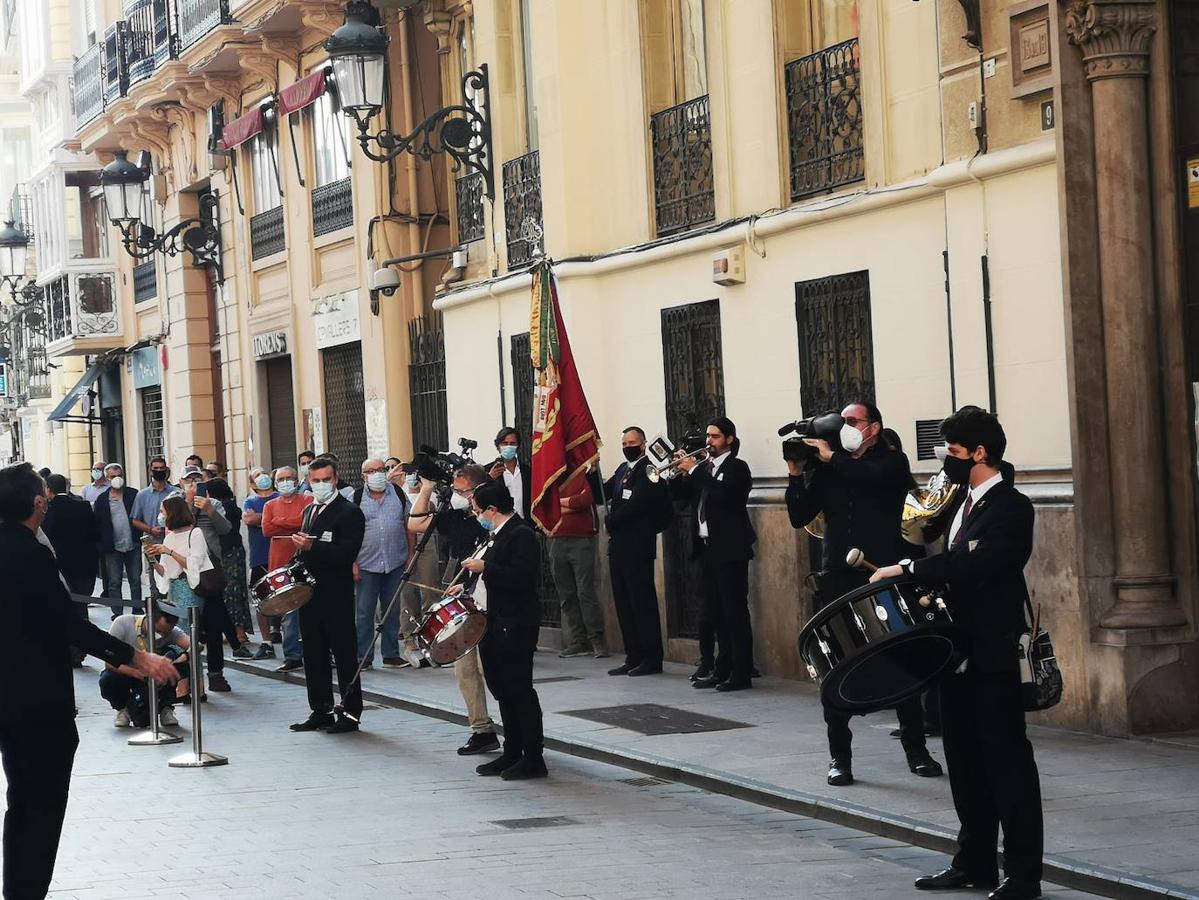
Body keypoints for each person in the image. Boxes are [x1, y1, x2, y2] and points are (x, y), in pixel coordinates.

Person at [871, 407, 1042, 900]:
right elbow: (939, 546)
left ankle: (1024, 875)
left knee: (1007, 765)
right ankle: (975, 863)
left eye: (952, 449)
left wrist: (906, 569)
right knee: (964, 764)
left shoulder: (1011, 505)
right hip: (958, 655)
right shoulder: (962, 503)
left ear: (980, 452)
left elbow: (980, 562)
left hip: (993, 656)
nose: (945, 458)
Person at [0, 462, 178, 900]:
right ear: (38, 503)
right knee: (37, 808)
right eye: (44, 492)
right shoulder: (28, 553)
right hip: (35, 699)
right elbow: (67, 623)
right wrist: (137, 657)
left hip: (11, 698)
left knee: (23, 804)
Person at [785, 401, 943, 787]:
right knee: (835, 662)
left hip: (884, 571)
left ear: (872, 428)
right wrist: (796, 471)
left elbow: (870, 478)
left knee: (900, 656)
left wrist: (832, 456)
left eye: (852, 421)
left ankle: (916, 748)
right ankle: (839, 757)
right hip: (839, 574)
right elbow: (799, 515)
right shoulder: (828, 466)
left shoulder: (892, 460)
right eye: (843, 421)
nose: (845, 426)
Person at [450, 480, 545, 780]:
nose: (476, 515)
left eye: (478, 510)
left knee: (519, 690)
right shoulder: (493, 535)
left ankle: (533, 756)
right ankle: (512, 750)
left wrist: (485, 569)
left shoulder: (520, 534)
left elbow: (523, 577)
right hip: (491, 624)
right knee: (502, 690)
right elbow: (486, 578)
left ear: (492, 509)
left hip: (514, 625)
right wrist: (466, 586)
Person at [411, 465, 500, 755]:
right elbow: (416, 524)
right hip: (467, 599)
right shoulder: (457, 517)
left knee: (494, 671)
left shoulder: (496, 519)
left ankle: (517, 728)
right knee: (465, 670)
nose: (459, 496)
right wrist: (426, 488)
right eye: (457, 491)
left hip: (494, 604)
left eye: (463, 491)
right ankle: (481, 729)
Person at [675, 417, 756, 692]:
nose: (709, 441)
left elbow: (726, 496)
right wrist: (682, 473)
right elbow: (681, 497)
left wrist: (696, 471)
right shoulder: (705, 469)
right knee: (715, 613)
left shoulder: (737, 467)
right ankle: (721, 670)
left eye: (716, 436)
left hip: (731, 550)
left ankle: (741, 672)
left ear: (729, 439)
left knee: (734, 613)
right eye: (708, 436)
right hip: (707, 550)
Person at [289, 456, 366, 734]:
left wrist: (313, 547)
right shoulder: (309, 509)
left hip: (337, 593)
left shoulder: (349, 512)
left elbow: (347, 553)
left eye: (325, 480)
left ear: (335, 480)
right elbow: (304, 547)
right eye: (315, 480)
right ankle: (320, 709)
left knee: (344, 653)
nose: (320, 485)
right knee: (313, 651)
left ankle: (350, 712)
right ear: (309, 481)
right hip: (309, 593)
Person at [603, 427, 669, 676]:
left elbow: (639, 504)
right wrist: (588, 472)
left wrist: (612, 520)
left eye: (632, 442)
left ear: (642, 445)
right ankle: (634, 654)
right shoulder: (622, 470)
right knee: (624, 603)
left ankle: (652, 657)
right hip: (618, 546)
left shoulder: (648, 471)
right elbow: (605, 491)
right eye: (624, 443)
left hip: (637, 546)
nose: (627, 446)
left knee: (642, 603)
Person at [147, 494, 217, 705]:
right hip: (174, 589)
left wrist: (168, 551)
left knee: (188, 636)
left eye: (163, 512)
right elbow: (165, 571)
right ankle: (187, 686)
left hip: (191, 587)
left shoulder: (195, 533)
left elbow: (194, 563)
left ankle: (193, 687)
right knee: (182, 638)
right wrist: (152, 558)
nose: (160, 516)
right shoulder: (169, 536)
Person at [180, 468, 246, 690]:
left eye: (197, 480)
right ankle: (189, 677)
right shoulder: (176, 503)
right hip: (184, 570)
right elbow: (169, 526)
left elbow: (225, 528)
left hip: (210, 571)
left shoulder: (213, 504)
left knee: (214, 622)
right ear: (181, 483)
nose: (193, 485)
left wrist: (209, 509)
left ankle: (216, 673)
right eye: (189, 481)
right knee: (190, 626)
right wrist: (188, 504)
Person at [353, 458, 412, 669]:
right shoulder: (356, 497)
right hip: (366, 563)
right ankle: (364, 657)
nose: (377, 473)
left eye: (380, 469)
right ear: (363, 476)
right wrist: (353, 563)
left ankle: (391, 654)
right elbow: (349, 533)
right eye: (371, 470)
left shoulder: (397, 494)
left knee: (392, 609)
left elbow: (409, 524)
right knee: (364, 612)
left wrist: (411, 554)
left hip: (395, 560)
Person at [548, 466, 608, 659]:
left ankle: (597, 640)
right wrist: (567, 505)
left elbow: (584, 501)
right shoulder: (550, 480)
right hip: (556, 540)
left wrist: (560, 504)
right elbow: (547, 506)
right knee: (566, 594)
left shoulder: (582, 476)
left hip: (581, 540)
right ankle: (577, 641)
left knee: (585, 592)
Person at [42, 474, 101, 667]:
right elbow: (95, 533)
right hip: (85, 565)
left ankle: (72, 651)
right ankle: (80, 650)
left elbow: (46, 538)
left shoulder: (49, 510)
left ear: (49, 490)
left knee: (66, 609)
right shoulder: (83, 506)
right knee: (81, 608)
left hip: (62, 567)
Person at [100, 603, 190, 728]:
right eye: (158, 631)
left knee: (173, 660)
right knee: (107, 679)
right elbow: (109, 662)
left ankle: (166, 707)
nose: (161, 635)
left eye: (165, 633)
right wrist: (136, 673)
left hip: (154, 676)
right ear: (149, 618)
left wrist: (184, 657)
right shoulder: (123, 623)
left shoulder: (171, 632)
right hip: (128, 672)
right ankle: (122, 708)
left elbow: (195, 645)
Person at [262, 466, 313, 672]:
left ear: (296, 480)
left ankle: (319, 652)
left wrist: (280, 522)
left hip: (306, 562)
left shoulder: (307, 501)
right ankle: (292, 655)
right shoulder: (270, 505)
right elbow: (267, 529)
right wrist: (291, 524)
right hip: (281, 565)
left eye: (289, 478)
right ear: (276, 483)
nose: (285, 482)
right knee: (289, 612)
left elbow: (306, 522)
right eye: (281, 479)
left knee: (313, 609)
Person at [204, 477, 255, 651]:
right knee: (236, 591)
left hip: (227, 553)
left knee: (232, 592)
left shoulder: (223, 507)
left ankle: (238, 632)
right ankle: (237, 631)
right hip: (233, 551)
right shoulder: (231, 505)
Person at [93, 462, 143, 618]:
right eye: (113, 476)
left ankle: (137, 608)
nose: (116, 479)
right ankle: (117, 612)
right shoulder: (102, 499)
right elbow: (98, 523)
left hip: (132, 543)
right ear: (107, 478)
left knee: (135, 579)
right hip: (112, 547)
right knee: (114, 582)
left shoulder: (133, 494)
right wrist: (102, 545)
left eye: (119, 476)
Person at [244, 467, 280, 659]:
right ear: (252, 484)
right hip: (259, 557)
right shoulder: (250, 501)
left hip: (282, 556)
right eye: (257, 476)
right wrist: (275, 521)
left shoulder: (281, 497)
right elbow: (248, 519)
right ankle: (266, 643)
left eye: (263, 473)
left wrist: (264, 521)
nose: (262, 477)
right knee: (262, 600)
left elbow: (292, 521)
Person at [130, 457, 174, 605]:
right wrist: (150, 529)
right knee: (155, 581)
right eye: (156, 469)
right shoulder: (142, 495)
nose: (159, 471)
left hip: (172, 543)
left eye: (162, 468)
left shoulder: (175, 492)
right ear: (150, 470)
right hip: (152, 544)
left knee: (173, 578)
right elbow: (135, 519)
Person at [488, 427, 531, 518]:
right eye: (504, 443)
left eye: (512, 444)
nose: (508, 447)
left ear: (518, 445)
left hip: (525, 524)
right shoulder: (488, 471)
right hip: (500, 525)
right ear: (498, 446)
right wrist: (489, 479)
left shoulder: (527, 471)